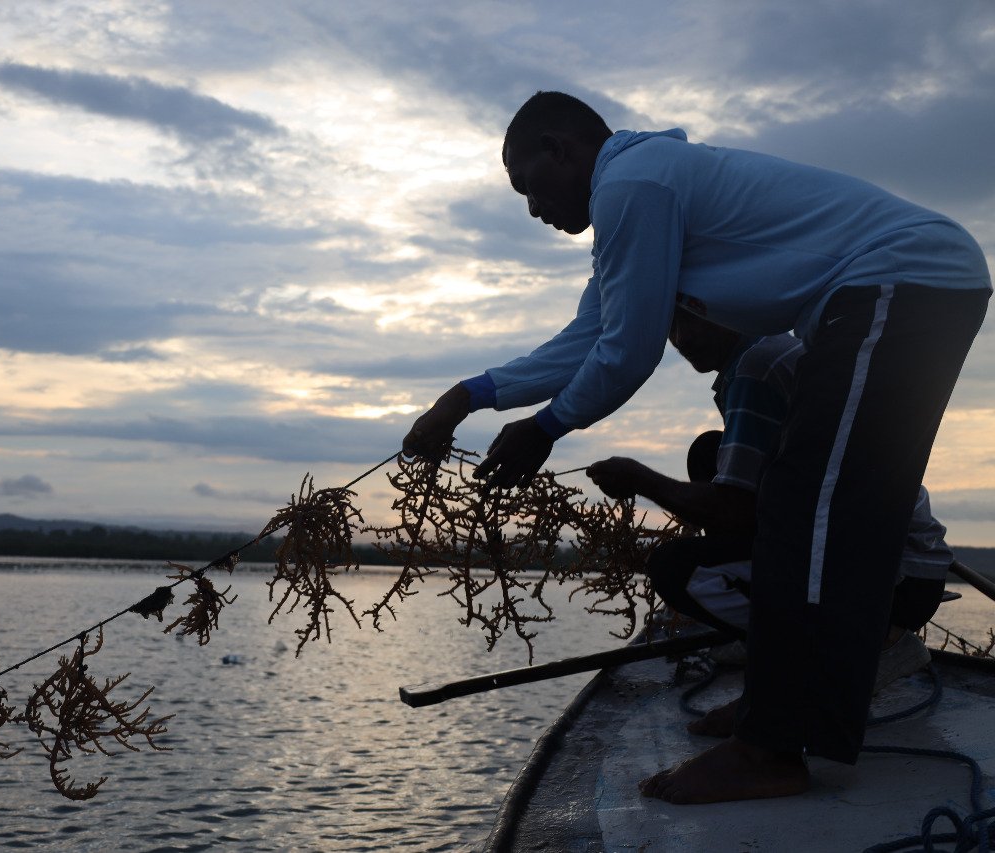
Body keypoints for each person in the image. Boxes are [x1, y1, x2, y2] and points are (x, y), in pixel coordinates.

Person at [402, 91, 990, 804]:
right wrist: (469, 395)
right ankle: (775, 713)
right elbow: (589, 338)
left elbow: (628, 350)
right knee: (802, 504)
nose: (533, 210)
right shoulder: (640, 194)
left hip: (903, 278)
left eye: (529, 186)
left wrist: (545, 427)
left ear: (562, 148)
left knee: (815, 506)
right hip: (881, 293)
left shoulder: (633, 183)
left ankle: (773, 747)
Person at [586, 310, 954, 735]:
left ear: (735, 304)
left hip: (888, 582)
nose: (682, 337)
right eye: (671, 324)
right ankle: (766, 644)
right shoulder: (769, 352)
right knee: (711, 453)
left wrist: (639, 478)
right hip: (897, 564)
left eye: (697, 317)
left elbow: (733, 509)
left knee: (676, 569)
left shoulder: (757, 370)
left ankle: (852, 653)